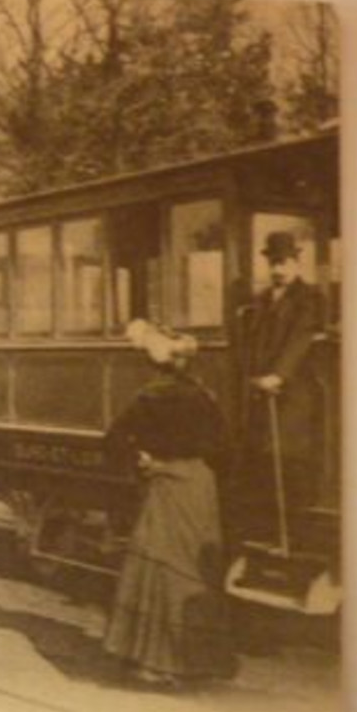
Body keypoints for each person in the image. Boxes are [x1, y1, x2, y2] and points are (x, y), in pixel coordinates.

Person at [102, 322, 235, 687]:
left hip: (167, 487)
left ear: (156, 363)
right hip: (200, 489)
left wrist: (145, 462)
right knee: (196, 571)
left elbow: (113, 441)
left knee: (159, 568)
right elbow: (224, 448)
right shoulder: (205, 396)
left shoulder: (150, 397)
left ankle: (156, 662)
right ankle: (199, 661)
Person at [233, 230, 325, 544]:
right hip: (263, 392)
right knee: (262, 461)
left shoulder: (310, 297)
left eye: (283, 262)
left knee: (290, 460)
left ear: (297, 262)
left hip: (295, 392)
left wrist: (279, 375)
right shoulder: (260, 300)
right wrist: (254, 375)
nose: (277, 270)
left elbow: (302, 337)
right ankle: (267, 533)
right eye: (273, 263)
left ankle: (298, 535)